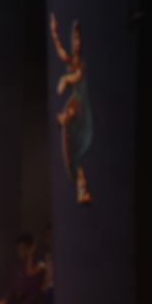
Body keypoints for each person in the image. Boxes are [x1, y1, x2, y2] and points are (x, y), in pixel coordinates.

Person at [50, 13, 92, 204]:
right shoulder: (72, 60)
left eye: (78, 39)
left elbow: (76, 77)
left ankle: (65, 117)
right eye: (74, 39)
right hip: (74, 105)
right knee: (73, 158)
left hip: (80, 107)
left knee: (72, 110)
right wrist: (54, 33)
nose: (76, 43)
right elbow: (60, 52)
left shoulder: (80, 65)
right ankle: (82, 190)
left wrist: (65, 79)